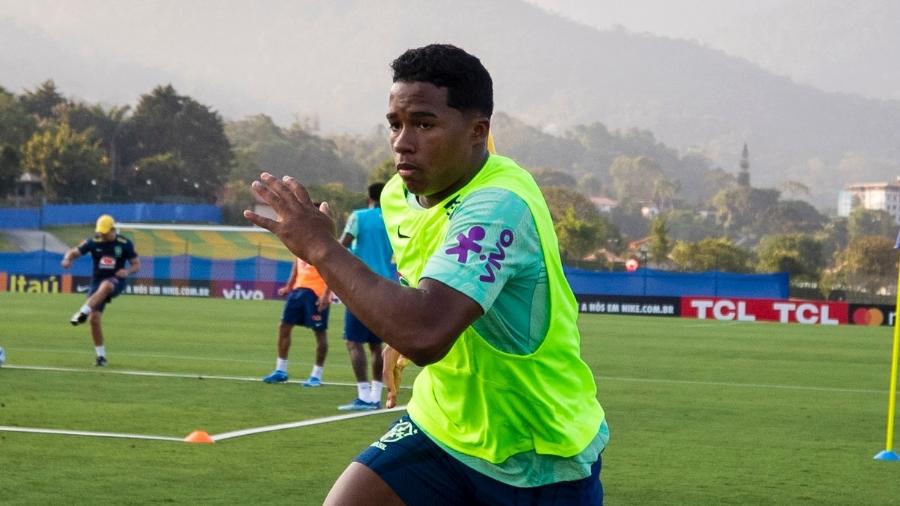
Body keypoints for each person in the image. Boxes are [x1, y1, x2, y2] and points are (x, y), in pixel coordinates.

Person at [244, 44, 607, 505]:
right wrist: (398, 332)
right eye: (395, 124)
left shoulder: (498, 204)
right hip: (444, 425)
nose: (402, 141)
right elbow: (423, 294)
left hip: (537, 450)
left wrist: (320, 248)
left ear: (477, 131)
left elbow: (427, 332)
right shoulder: (399, 194)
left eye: (424, 123)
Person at [337, 182, 396, 411]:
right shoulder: (393, 219)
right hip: (386, 286)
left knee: (353, 341)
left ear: (368, 196)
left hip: (361, 286)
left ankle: (363, 395)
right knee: (375, 344)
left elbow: (342, 245)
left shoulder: (359, 216)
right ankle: (375, 395)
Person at [61, 214, 140, 367]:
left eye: (105, 233)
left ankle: (82, 312)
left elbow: (136, 265)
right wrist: (67, 259)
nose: (102, 236)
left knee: (107, 286)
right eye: (100, 233)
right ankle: (101, 358)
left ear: (112, 229)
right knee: (94, 320)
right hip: (96, 283)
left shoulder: (125, 244)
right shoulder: (93, 242)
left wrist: (127, 271)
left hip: (116, 281)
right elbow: (73, 252)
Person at [261, 254, 332, 387]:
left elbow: (331, 269)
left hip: (317, 293)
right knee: (284, 326)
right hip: (298, 290)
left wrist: (327, 294)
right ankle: (281, 370)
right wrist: (289, 285)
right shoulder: (301, 241)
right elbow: (297, 262)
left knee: (320, 333)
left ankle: (316, 376)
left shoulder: (323, 242)